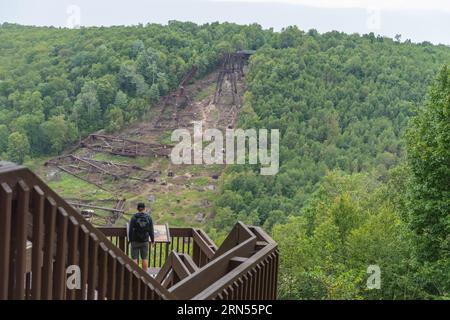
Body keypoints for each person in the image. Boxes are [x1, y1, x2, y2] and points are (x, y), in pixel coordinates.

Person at [128, 202, 154, 272]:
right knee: (144, 258)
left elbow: (130, 230)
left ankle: (135, 275)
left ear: (137, 209)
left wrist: (130, 240)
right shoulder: (148, 217)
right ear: (144, 208)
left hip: (135, 240)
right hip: (145, 241)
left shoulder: (134, 217)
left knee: (134, 258)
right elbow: (151, 230)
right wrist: (152, 240)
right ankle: (144, 274)